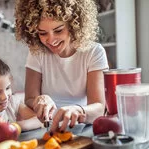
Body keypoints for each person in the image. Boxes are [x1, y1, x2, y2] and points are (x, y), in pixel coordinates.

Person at [14, 0, 109, 132]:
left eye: (58, 30)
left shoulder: (94, 52)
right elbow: (29, 98)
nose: (51, 40)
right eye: (42, 33)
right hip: (46, 127)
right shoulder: (37, 52)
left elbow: (98, 108)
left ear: (74, 25)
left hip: (80, 126)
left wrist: (78, 110)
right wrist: (39, 100)